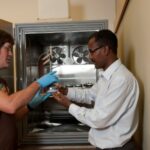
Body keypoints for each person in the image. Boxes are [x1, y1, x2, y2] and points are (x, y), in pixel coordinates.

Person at [53, 29, 139, 150]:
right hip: (105, 146)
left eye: (92, 51)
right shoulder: (107, 76)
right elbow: (89, 94)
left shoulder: (121, 79)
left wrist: (69, 106)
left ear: (105, 49)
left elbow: (99, 119)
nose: (89, 56)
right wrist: (66, 92)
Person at [0, 29, 59, 150]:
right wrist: (38, 83)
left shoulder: (2, 82)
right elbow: (10, 105)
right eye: (7, 48)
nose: (11, 54)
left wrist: (30, 105)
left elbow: (12, 116)